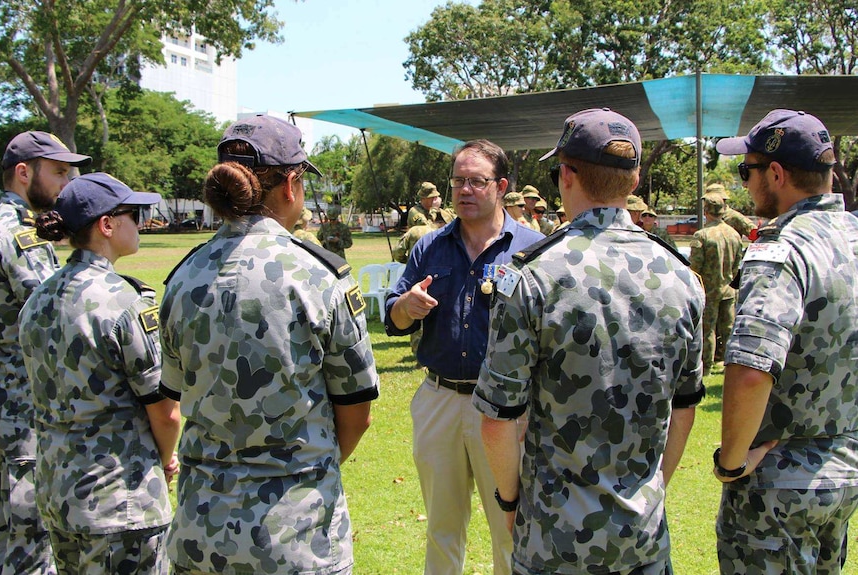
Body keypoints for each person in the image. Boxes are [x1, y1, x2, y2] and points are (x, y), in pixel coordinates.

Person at [476, 108, 704, 575]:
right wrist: (653, 489)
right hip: (642, 538)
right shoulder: (682, 278)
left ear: (565, 175)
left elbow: (499, 419)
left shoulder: (532, 276)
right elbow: (685, 407)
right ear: (635, 180)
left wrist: (509, 501)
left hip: (553, 540)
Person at [159, 114, 379, 575]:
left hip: (202, 533)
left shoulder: (182, 278)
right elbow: (356, 414)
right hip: (295, 539)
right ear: (292, 184)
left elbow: (174, 390)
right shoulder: (320, 275)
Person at [384, 139, 543, 575]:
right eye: (458, 181)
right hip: (441, 400)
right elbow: (393, 317)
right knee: (442, 526)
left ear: (501, 186)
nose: (465, 190)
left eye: (477, 181)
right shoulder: (429, 247)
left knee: (511, 527)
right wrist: (406, 307)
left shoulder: (534, 249)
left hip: (508, 409)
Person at [713, 109, 858, 574]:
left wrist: (731, 462)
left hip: (780, 481)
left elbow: (752, 369)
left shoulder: (783, 249)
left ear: (776, 173)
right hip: (845, 469)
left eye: (747, 170)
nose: (745, 184)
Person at [17, 172, 180, 575]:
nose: (141, 223)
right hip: (120, 501)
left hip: (59, 494)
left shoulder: (37, 299)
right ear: (106, 225)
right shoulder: (123, 302)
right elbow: (165, 410)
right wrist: (163, 460)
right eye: (134, 214)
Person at [0, 130, 91, 575]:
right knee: (27, 546)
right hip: (17, 417)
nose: (67, 184)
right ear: (23, 173)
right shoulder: (18, 234)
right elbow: (56, 309)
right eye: (58, 172)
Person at [689, 194, 743, 376]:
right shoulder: (734, 234)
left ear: (706, 212)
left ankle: (707, 367)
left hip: (708, 290)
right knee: (728, 328)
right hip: (729, 289)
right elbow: (738, 265)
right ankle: (731, 364)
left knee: (707, 329)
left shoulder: (702, 235)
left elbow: (695, 267)